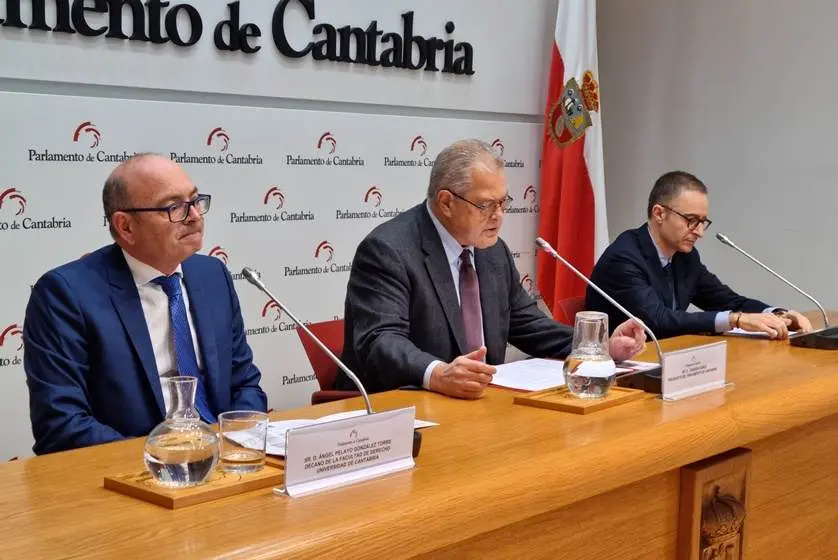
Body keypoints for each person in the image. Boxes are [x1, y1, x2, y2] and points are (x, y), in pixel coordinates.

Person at [336, 139, 646, 398]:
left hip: (479, 403)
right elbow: (380, 342)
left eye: (503, 203)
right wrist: (438, 373)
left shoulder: (491, 251)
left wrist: (596, 346)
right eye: (486, 205)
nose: (499, 216)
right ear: (446, 202)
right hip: (406, 407)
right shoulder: (388, 250)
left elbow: (527, 325)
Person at [24, 153, 266, 455]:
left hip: (222, 462)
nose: (194, 216)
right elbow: (61, 425)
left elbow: (245, 383)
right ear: (125, 227)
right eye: (174, 207)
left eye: (195, 201)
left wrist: (237, 441)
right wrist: (164, 456)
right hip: (130, 471)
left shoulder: (212, 275)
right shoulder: (66, 294)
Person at [586, 170, 812, 340]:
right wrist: (737, 320)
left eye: (703, 222)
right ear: (659, 213)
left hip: (668, 361)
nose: (700, 232)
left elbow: (726, 300)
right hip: (620, 371)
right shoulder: (624, 258)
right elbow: (657, 321)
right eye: (691, 220)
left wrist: (776, 313)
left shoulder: (685, 257)